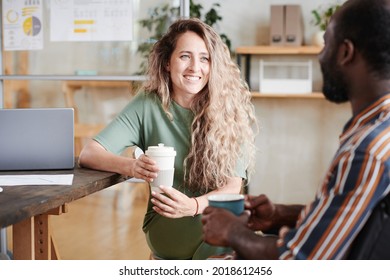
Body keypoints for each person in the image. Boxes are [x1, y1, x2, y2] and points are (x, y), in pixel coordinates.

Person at [201, 0, 390, 260]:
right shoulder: (380, 132)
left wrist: (233, 232)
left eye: (327, 44)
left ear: (346, 52)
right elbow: (352, 218)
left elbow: (301, 261)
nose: (320, 55)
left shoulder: (368, 150)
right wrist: (280, 215)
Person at [78, 18, 257, 259]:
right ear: (167, 63)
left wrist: (192, 206)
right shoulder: (147, 105)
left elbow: (233, 186)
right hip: (167, 229)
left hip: (221, 228)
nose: (195, 67)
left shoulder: (229, 110)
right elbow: (89, 154)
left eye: (204, 58)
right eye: (185, 56)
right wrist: (132, 166)